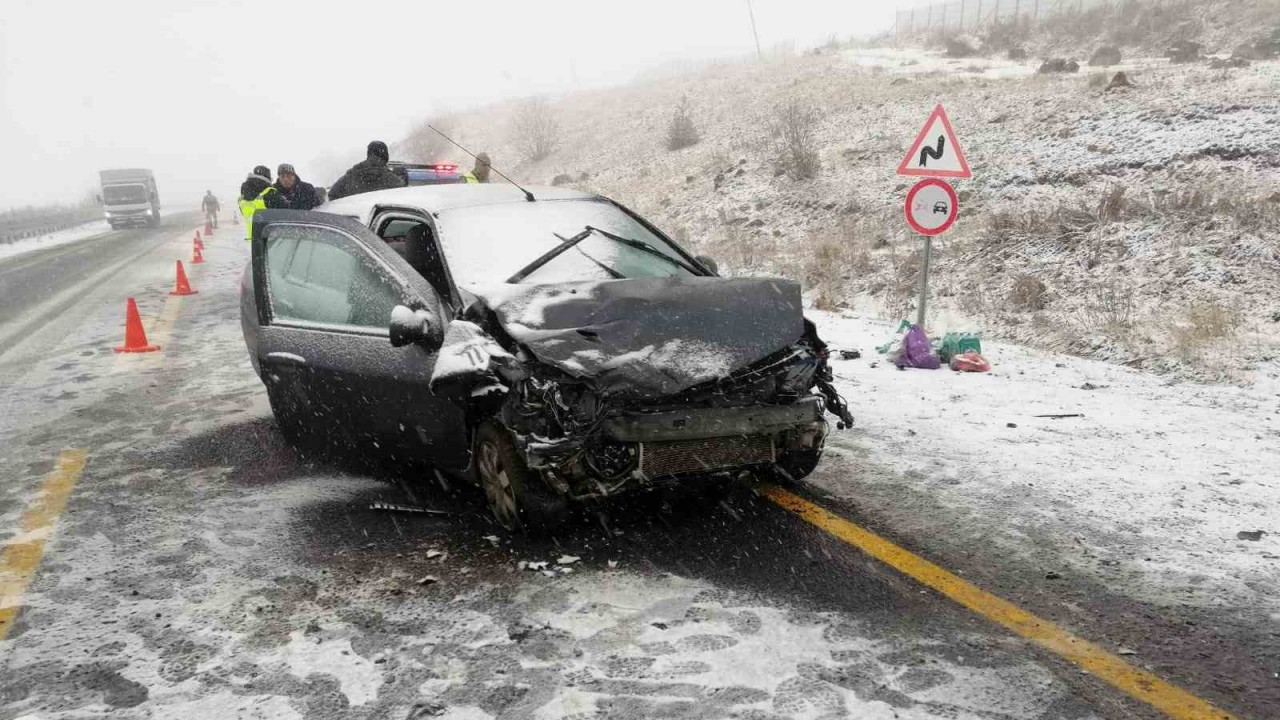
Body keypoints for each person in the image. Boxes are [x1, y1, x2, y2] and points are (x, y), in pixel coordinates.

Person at [328, 141, 405, 200]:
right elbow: (403, 196)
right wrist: (402, 178)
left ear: (369, 154)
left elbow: (332, 194)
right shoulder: (391, 179)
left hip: (355, 219)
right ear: (385, 158)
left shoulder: (351, 175)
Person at [238, 167, 288, 241]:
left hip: (253, 240)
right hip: (271, 239)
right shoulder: (270, 193)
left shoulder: (242, 197)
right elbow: (287, 213)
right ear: (267, 178)